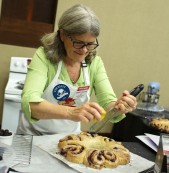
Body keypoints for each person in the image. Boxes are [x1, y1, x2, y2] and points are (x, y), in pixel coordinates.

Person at [17, 4, 137, 135]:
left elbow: (108, 102)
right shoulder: (44, 57)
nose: (85, 50)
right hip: (32, 136)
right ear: (62, 35)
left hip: (67, 138)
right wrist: (71, 112)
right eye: (78, 43)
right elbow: (29, 103)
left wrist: (119, 107)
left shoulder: (94, 63)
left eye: (90, 44)